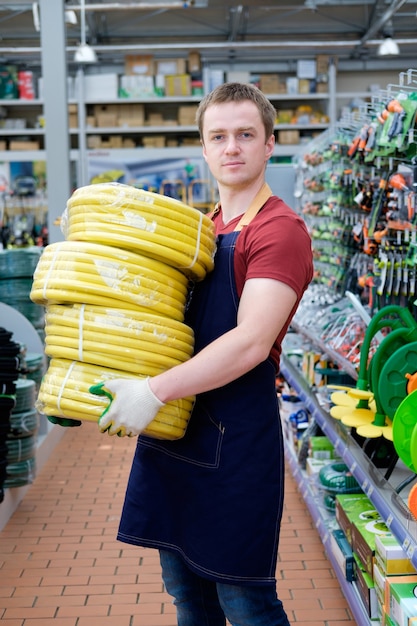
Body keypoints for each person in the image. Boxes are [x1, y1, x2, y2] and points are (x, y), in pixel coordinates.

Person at [91, 82, 313, 626]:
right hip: (176, 435)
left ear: (269, 145)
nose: (231, 147)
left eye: (245, 134)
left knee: (246, 600)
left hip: (234, 442)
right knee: (187, 596)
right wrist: (86, 379)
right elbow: (156, 327)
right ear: (204, 148)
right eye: (219, 136)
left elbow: (250, 341)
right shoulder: (201, 231)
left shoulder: (279, 231)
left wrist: (153, 390)